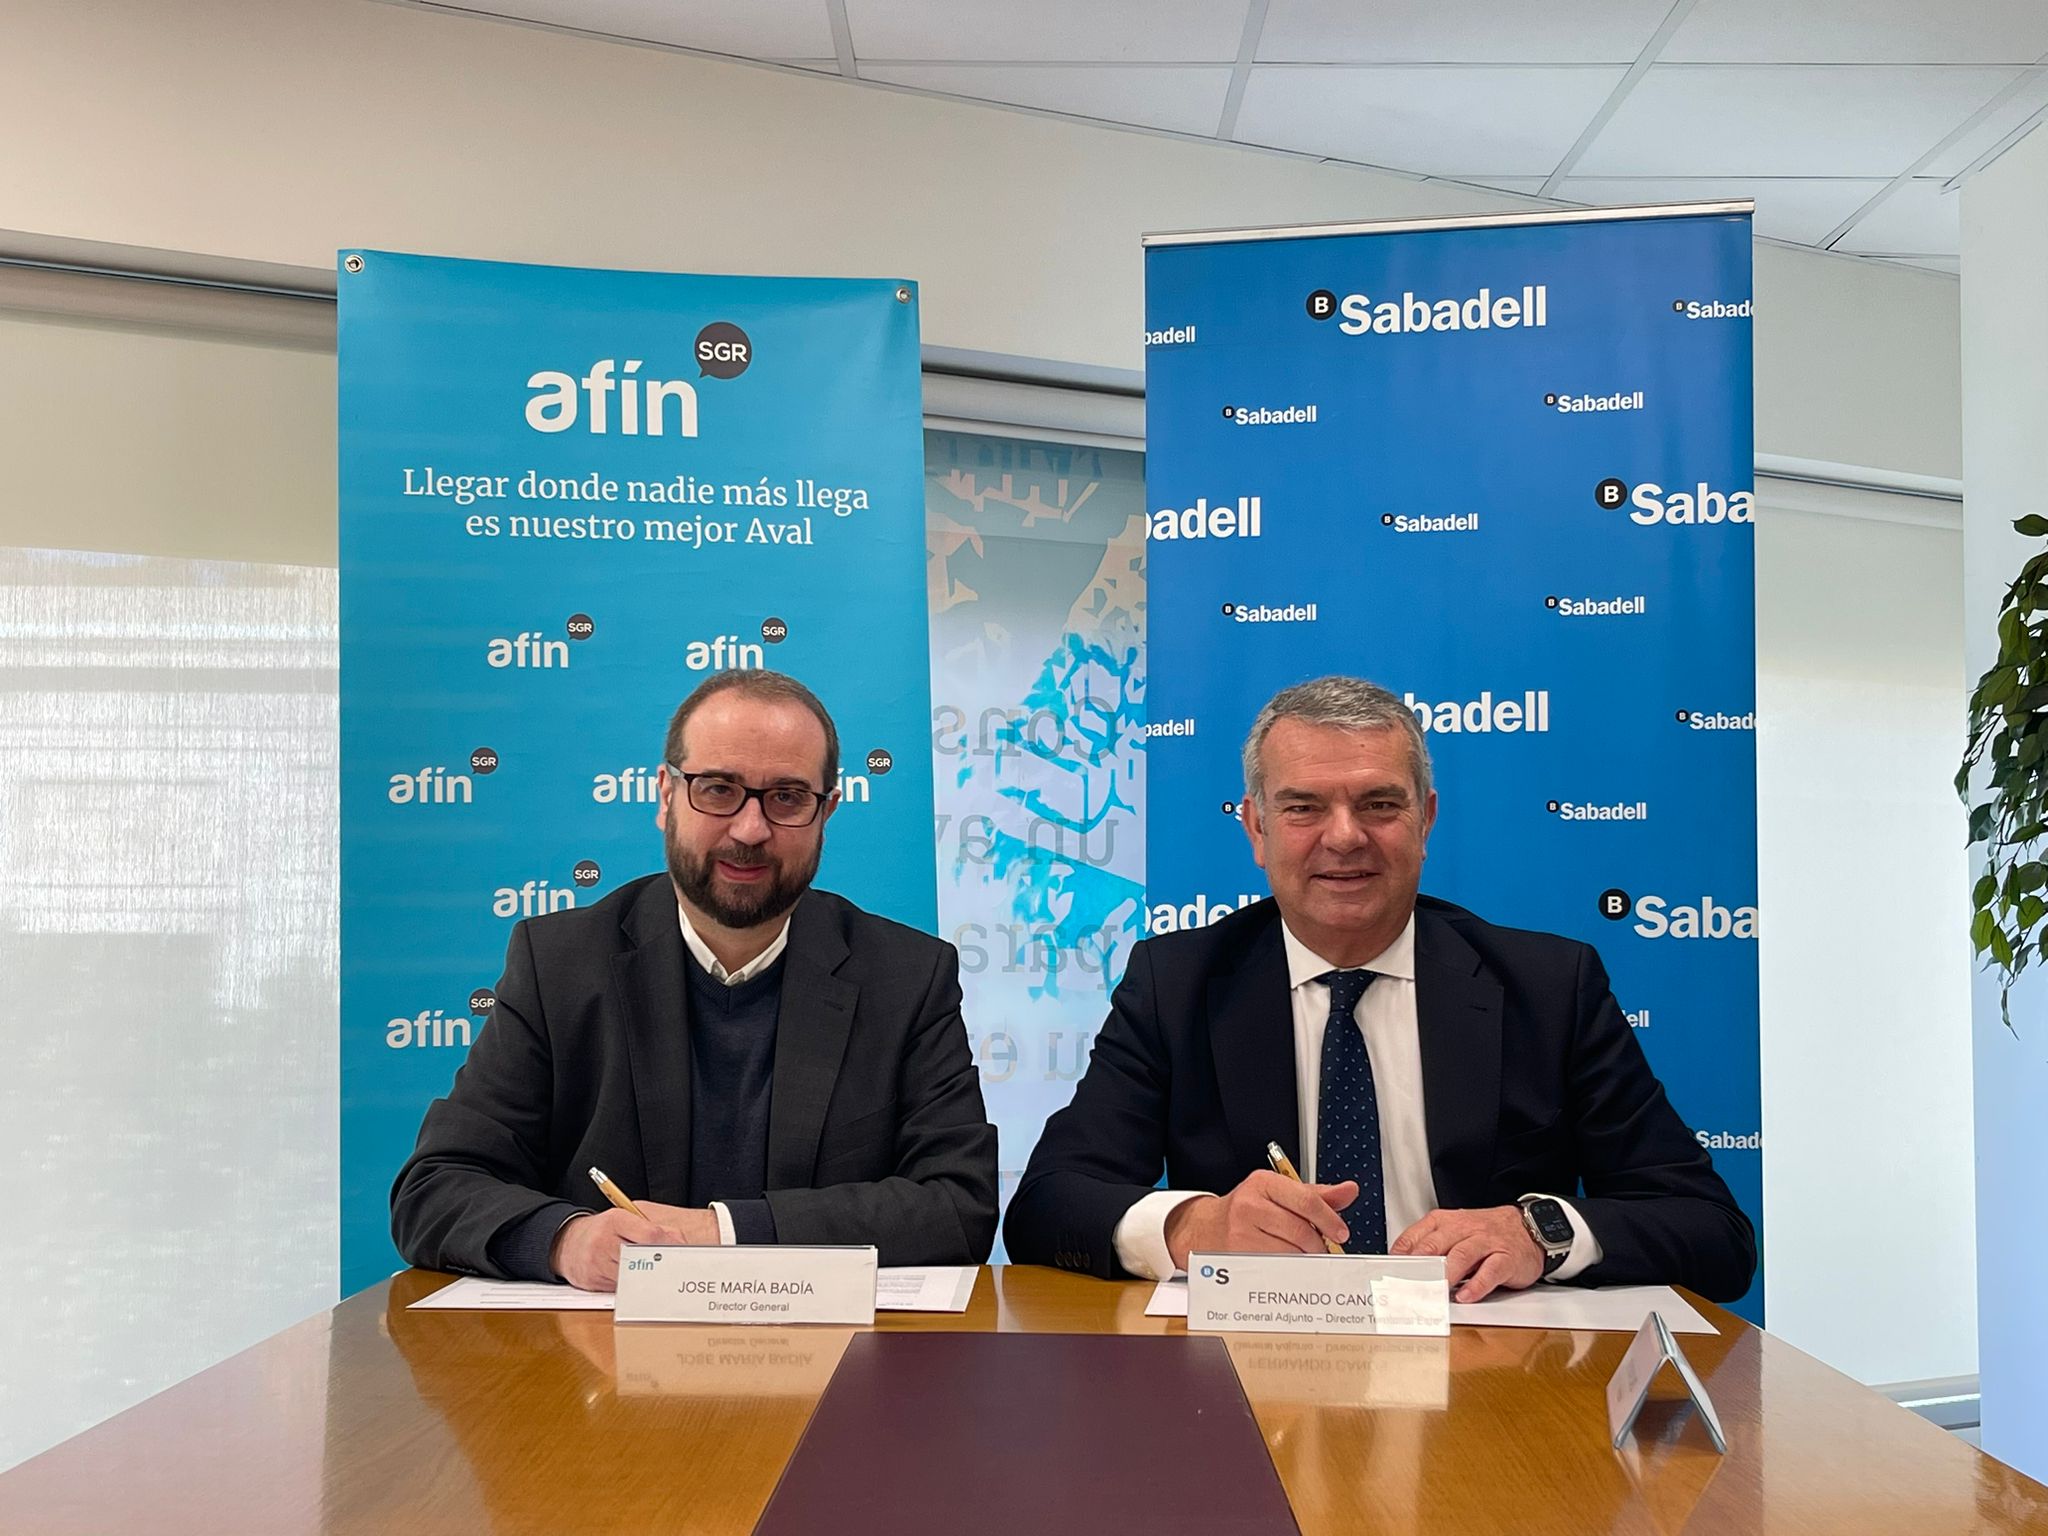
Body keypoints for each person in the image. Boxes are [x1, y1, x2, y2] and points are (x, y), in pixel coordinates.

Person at [1004, 675, 1756, 1303]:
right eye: (1303, 807)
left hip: (1493, 1385)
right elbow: (1046, 1206)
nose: (1344, 837)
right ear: (1256, 831)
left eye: (1379, 805)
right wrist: (1192, 1228)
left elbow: (1713, 1233)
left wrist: (1539, 1232)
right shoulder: (1177, 982)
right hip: (1252, 1382)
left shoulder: (1548, 987)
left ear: (1424, 821)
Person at [391, 668, 998, 1290]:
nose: (750, 829)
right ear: (664, 795)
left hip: (832, 1364)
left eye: (787, 797)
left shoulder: (907, 976)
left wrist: (720, 1230)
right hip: (596, 1368)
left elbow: (959, 1207)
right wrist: (567, 1241)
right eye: (718, 789)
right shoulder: (559, 963)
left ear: (827, 813)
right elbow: (436, 1188)